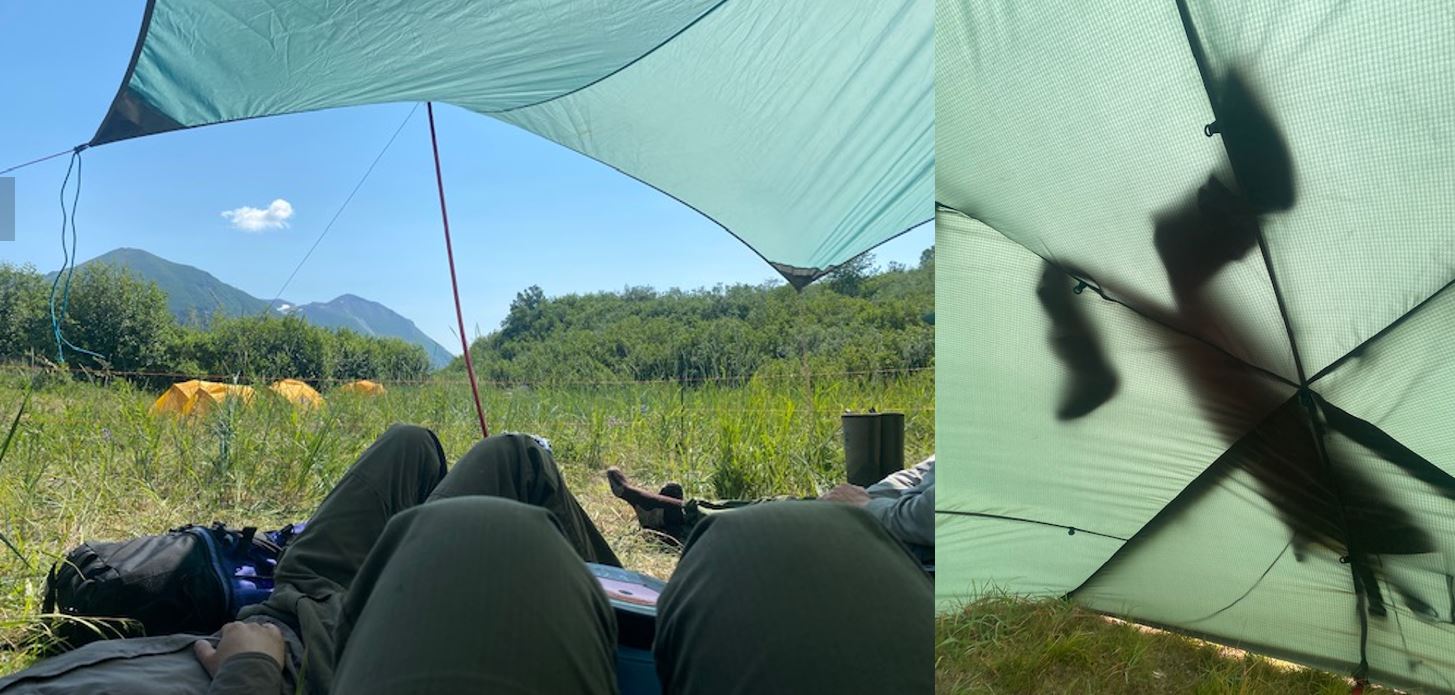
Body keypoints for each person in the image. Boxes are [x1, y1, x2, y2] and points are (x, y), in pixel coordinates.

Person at [0, 425, 930, 694]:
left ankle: (291, 608)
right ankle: (611, 585)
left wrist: (250, 663)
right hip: (803, 609)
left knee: (478, 523)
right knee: (483, 456)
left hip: (311, 642)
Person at [607, 456, 935, 563]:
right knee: (794, 507)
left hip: (912, 545)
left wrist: (867, 506)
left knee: (787, 524)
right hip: (892, 512)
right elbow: (923, 473)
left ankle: (673, 519)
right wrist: (867, 495)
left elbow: (934, 518)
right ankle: (674, 517)